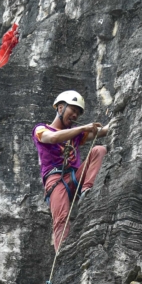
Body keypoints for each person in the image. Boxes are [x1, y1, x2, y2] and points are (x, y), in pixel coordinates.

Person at [32, 91, 109, 250]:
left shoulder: (76, 134)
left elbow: (103, 132)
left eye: (77, 113)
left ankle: (86, 190)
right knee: (61, 218)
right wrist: (83, 128)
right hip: (55, 180)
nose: (75, 115)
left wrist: (117, 120)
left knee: (99, 150)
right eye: (72, 110)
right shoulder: (40, 129)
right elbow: (52, 138)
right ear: (60, 108)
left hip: (75, 176)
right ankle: (61, 254)